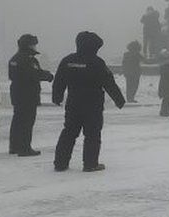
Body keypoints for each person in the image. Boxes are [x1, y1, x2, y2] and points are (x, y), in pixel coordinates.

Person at [52, 32, 126, 172]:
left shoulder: (68, 60)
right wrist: (119, 100)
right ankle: (90, 164)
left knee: (69, 132)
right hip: (93, 104)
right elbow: (109, 82)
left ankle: (60, 163)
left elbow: (59, 80)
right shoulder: (97, 62)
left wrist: (57, 96)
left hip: (73, 103)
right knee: (92, 134)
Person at [8, 34, 54, 156]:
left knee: (17, 120)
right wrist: (48, 76)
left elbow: (14, 75)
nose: (35, 47)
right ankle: (24, 148)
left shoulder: (15, 58)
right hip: (27, 94)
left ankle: (14, 146)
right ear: (29, 45)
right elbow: (33, 74)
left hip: (17, 93)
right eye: (33, 44)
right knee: (26, 122)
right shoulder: (27, 59)